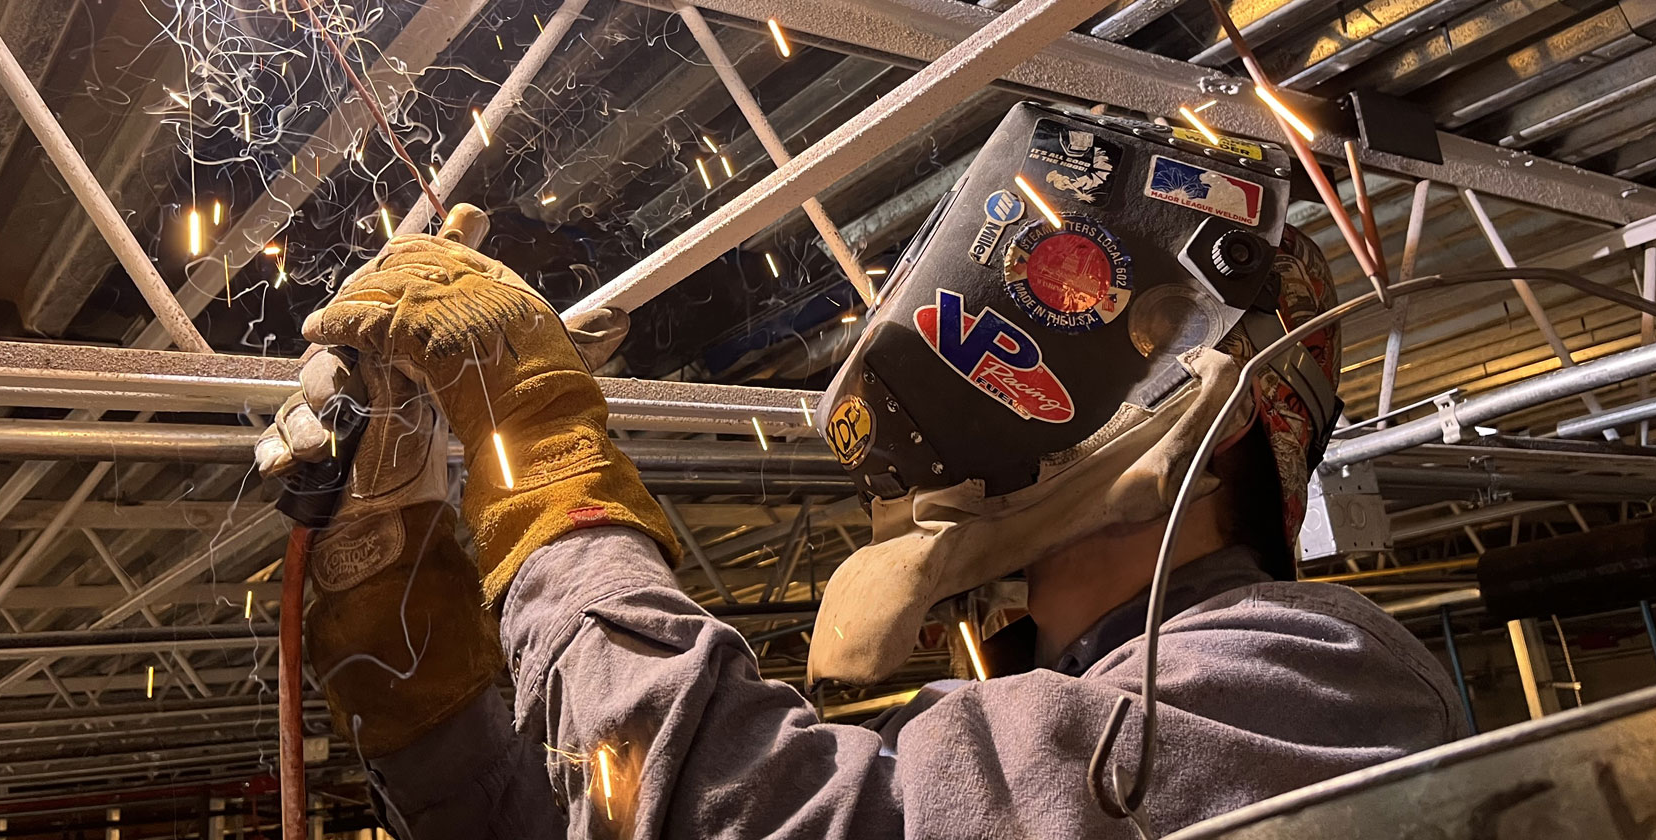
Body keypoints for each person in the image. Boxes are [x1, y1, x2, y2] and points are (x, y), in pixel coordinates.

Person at [256, 183, 1464, 837]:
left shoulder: (1318, 677)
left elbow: (755, 821)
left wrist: (535, 446)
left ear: (1195, 396)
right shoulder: (1037, 716)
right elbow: (599, 815)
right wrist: (401, 612)